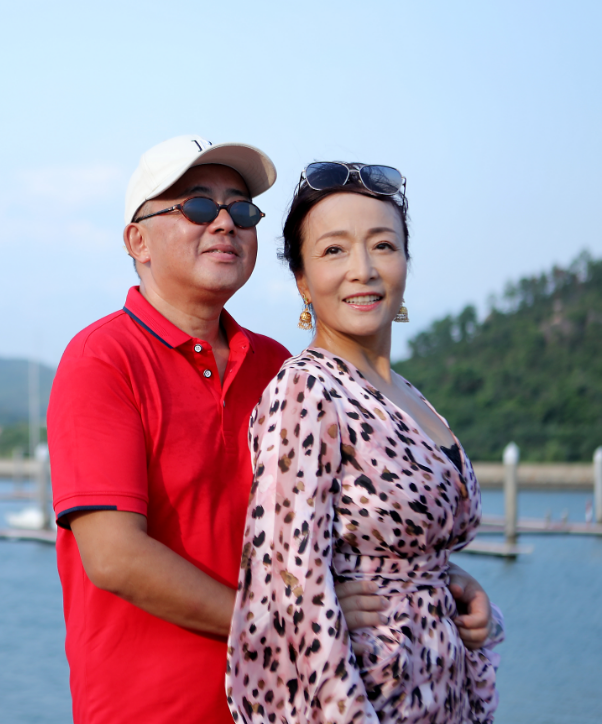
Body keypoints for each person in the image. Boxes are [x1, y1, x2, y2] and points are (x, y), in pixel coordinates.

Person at [47, 137, 494, 724]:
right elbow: (115, 556)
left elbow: (331, 533)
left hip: (281, 707)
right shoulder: (103, 360)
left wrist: (438, 581)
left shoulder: (275, 365)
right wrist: (292, 620)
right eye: (198, 207)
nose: (224, 223)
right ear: (138, 241)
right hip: (151, 710)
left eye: (242, 209)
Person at [226, 162, 506, 724]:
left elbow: (408, 551)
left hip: (444, 693)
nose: (363, 269)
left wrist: (460, 592)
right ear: (303, 280)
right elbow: (291, 593)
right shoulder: (305, 390)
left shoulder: (408, 394)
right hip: (370, 700)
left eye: (383, 245)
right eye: (334, 250)